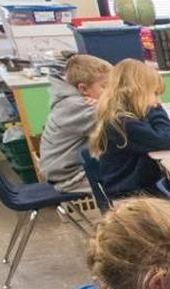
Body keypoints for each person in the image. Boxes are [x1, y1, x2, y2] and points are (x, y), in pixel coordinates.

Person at [89, 60, 170, 198]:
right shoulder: (123, 123)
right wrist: (156, 109)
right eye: (155, 94)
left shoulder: (120, 116)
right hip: (131, 195)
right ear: (136, 92)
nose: (158, 100)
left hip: (132, 187)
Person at [38, 54, 112, 193]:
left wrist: (104, 105)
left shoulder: (72, 100)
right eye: (105, 87)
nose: (112, 93)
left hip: (65, 170)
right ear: (83, 89)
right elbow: (123, 124)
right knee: (130, 179)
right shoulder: (79, 106)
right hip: (72, 177)